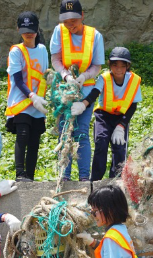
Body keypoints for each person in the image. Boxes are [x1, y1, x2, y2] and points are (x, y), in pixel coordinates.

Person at [50, 0, 105, 182]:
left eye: (73, 19)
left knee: (81, 131)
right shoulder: (59, 31)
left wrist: (83, 77)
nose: (70, 24)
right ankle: (64, 175)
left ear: (82, 16)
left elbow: (97, 66)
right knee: (65, 129)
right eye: (66, 21)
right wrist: (66, 76)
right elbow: (56, 59)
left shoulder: (94, 35)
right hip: (65, 90)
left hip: (85, 90)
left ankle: (83, 176)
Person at [6, 11, 49, 182]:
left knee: (34, 141)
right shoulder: (16, 51)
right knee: (22, 134)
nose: (28, 33)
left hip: (38, 104)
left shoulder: (42, 50)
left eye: (31, 29)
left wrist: (43, 99)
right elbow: (17, 79)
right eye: (24, 30)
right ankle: (20, 174)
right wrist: (32, 96)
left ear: (37, 29)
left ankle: (30, 176)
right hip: (22, 101)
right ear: (18, 30)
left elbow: (45, 76)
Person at [91, 46, 142, 182]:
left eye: (122, 66)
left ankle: (116, 180)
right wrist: (83, 103)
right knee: (101, 142)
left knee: (119, 148)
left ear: (127, 66)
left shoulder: (134, 81)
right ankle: (95, 180)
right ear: (110, 65)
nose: (118, 69)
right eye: (115, 65)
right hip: (103, 116)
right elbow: (94, 93)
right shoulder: (104, 78)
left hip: (121, 118)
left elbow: (133, 105)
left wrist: (122, 125)